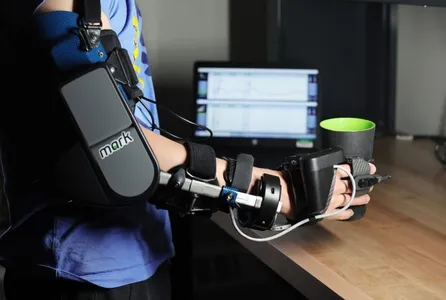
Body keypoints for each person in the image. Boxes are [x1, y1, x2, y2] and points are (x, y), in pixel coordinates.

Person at [0, 0, 376, 299]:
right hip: (85, 271)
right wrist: (268, 189)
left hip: (134, 249)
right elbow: (115, 146)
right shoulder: (64, 4)